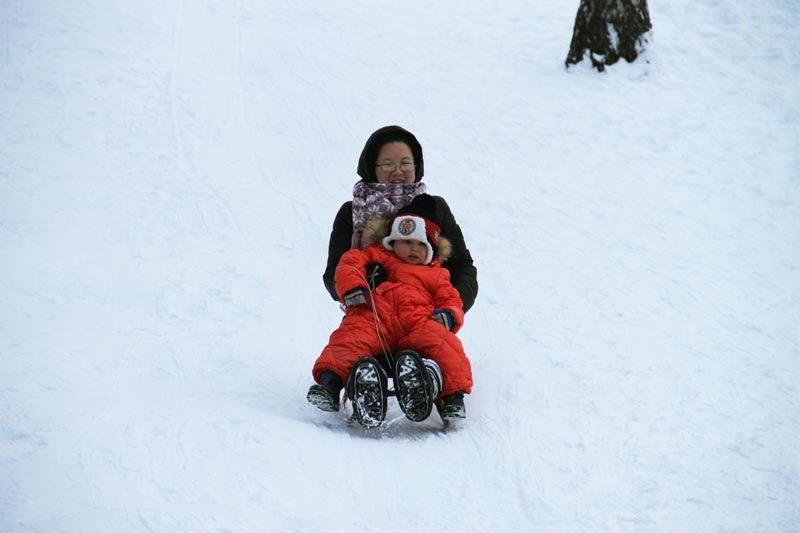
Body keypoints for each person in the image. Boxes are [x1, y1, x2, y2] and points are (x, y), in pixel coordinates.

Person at [309, 195, 473, 428]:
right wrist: (355, 288)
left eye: (421, 245)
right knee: (350, 338)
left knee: (444, 345)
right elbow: (349, 263)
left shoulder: (436, 273)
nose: (413, 249)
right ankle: (332, 384)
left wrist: (448, 315)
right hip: (376, 317)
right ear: (393, 241)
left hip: (417, 321)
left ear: (431, 250)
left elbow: (451, 298)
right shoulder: (377, 255)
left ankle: (450, 396)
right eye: (407, 242)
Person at [323, 125, 478, 313]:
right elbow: (333, 275)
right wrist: (364, 279)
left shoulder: (434, 208)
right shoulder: (352, 211)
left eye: (405, 164)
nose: (398, 172)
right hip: (368, 318)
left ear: (416, 166)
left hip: (424, 318)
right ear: (373, 168)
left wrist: (449, 309)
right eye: (388, 164)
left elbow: (463, 268)